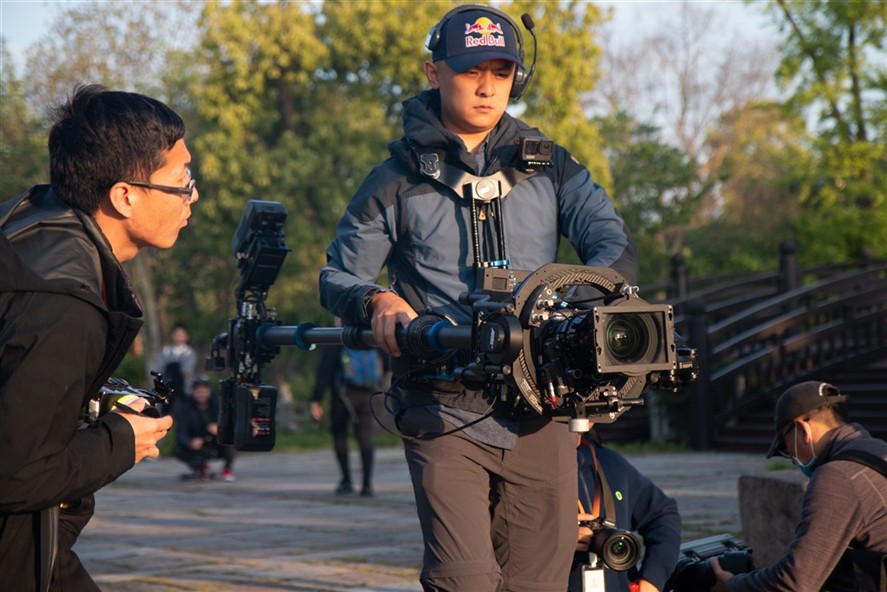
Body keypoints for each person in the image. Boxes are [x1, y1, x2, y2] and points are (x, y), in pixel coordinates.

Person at [318, 4, 637, 590]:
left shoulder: (553, 165)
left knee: (538, 584)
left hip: (543, 409)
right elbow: (338, 275)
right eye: (471, 71)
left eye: (502, 70)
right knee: (464, 580)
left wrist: (576, 305)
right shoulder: (393, 179)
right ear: (434, 72)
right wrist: (376, 302)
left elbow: (612, 247)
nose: (489, 86)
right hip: (443, 406)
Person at [0, 84, 197, 591]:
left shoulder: (29, 225)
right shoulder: (65, 302)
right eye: (181, 180)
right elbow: (16, 473)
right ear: (125, 196)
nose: (192, 195)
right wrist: (121, 440)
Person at [712, 381, 887, 592]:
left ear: (802, 429)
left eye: (786, 449)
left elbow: (794, 582)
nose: (793, 459)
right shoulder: (877, 451)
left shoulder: (838, 476)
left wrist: (732, 584)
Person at [571, 431, 681, 592]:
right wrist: (551, 541)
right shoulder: (527, 471)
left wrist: (653, 577)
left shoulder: (609, 462)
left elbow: (663, 513)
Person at [310, 344, 385, 496]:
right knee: (365, 439)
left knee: (340, 436)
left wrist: (316, 399)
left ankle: (346, 481)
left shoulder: (336, 342)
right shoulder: (371, 340)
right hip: (369, 395)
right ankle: (367, 485)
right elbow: (388, 366)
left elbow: (324, 372)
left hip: (343, 396)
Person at [172, 377, 236, 482]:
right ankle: (200, 468)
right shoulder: (185, 408)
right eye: (198, 391)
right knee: (178, 450)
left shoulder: (219, 405)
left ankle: (227, 469)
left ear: (209, 391)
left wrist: (220, 429)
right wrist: (190, 442)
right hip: (198, 442)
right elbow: (181, 432)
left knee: (229, 441)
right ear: (193, 392)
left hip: (216, 441)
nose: (201, 394)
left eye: (204, 390)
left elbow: (230, 424)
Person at [155, 322, 198, 406]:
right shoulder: (166, 351)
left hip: (184, 389)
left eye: (181, 335)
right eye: (177, 334)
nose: (179, 337)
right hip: (168, 388)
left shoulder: (190, 353)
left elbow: (187, 370)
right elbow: (160, 368)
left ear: (187, 336)